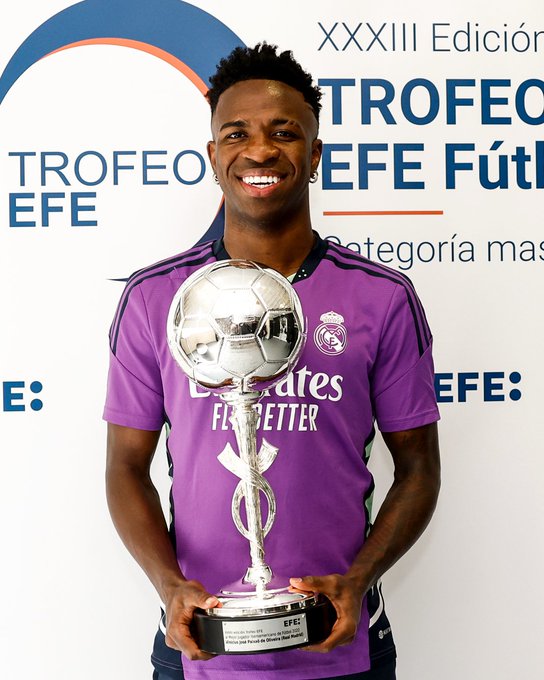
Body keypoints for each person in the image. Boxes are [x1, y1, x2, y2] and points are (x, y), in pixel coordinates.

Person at [104, 44, 441, 680]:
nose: (259, 150)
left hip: (343, 647)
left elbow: (419, 468)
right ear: (214, 156)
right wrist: (169, 585)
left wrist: (359, 579)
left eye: (284, 133)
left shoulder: (381, 297)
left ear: (314, 155)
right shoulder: (156, 299)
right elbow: (125, 467)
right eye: (237, 134)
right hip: (199, 646)